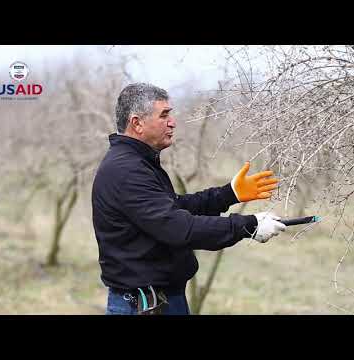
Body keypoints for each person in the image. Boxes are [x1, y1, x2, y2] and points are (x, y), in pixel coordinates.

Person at [91, 83, 286, 315]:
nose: (172, 122)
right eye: (164, 115)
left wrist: (227, 194)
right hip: (143, 306)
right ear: (137, 123)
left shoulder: (137, 163)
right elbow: (178, 227)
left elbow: (173, 208)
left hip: (160, 301)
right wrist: (249, 226)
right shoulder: (126, 171)